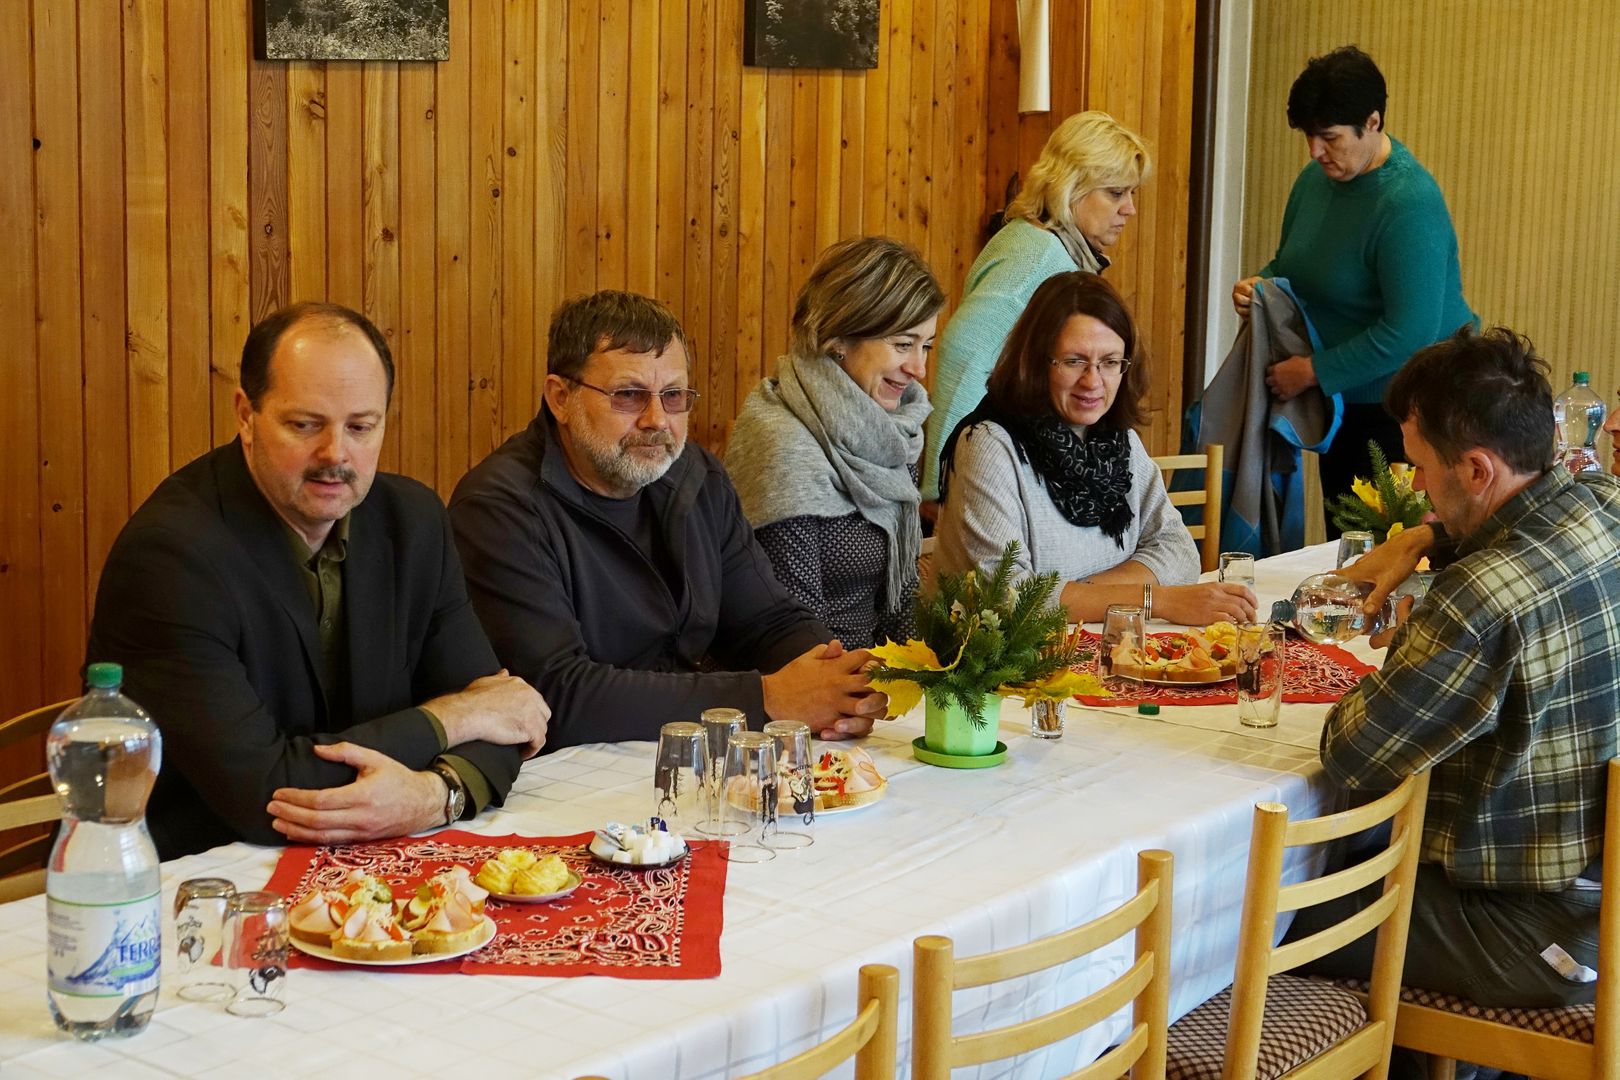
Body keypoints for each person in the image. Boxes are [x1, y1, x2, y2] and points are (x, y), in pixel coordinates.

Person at [88, 302, 551, 860]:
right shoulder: (170, 557)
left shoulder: (414, 522)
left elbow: (502, 719)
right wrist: (453, 716)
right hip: (196, 877)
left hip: (371, 864)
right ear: (245, 414)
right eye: (304, 425)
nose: (335, 455)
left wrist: (435, 795)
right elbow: (266, 792)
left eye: (361, 427)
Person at [1296, 326, 1620, 1016]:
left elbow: (1352, 754)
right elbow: (1565, 492)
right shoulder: (1604, 515)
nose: (1414, 485)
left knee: (1273, 917)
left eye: (1421, 467)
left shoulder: (1479, 597)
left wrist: (1417, 641)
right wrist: (1425, 534)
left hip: (1534, 933)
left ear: (1476, 471)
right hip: (1600, 899)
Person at [449, 290, 887, 749]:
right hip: (561, 773)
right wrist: (767, 698)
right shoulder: (498, 508)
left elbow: (766, 621)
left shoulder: (696, 476)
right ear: (560, 398)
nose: (657, 420)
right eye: (629, 395)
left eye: (674, 396)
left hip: (681, 751)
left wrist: (839, 680)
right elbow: (557, 692)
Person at [1232, 46, 1475, 534]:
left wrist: (1313, 372)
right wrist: (1261, 283)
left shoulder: (1408, 203)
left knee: (1386, 550)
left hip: (1407, 408)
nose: (1315, 151)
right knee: (1344, 540)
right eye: (1309, 137)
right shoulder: (1315, 180)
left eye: (1329, 138)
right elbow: (1295, 263)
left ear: (1373, 121)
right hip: (1341, 401)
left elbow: (1410, 331)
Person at [934, 272, 1256, 626]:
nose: (1092, 381)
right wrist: (1155, 599)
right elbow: (1011, 600)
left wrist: (1076, 595)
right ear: (1036, 361)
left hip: (1106, 648)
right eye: (1073, 361)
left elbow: (1179, 554)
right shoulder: (988, 445)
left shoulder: (1119, 441)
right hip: (999, 668)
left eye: (1110, 362)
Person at [921, 110, 1151, 503]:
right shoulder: (1039, 253)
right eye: (1115, 193)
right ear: (1070, 188)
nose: (1129, 209)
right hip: (992, 470)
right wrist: (941, 488)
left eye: (1131, 194)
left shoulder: (1040, 241)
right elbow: (965, 349)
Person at [726, 237, 943, 649]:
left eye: (926, 346)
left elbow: (900, 598)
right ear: (839, 337)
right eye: (903, 344)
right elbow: (795, 632)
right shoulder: (784, 444)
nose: (918, 368)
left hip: (875, 675)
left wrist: (923, 676)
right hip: (812, 688)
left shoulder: (892, 431)